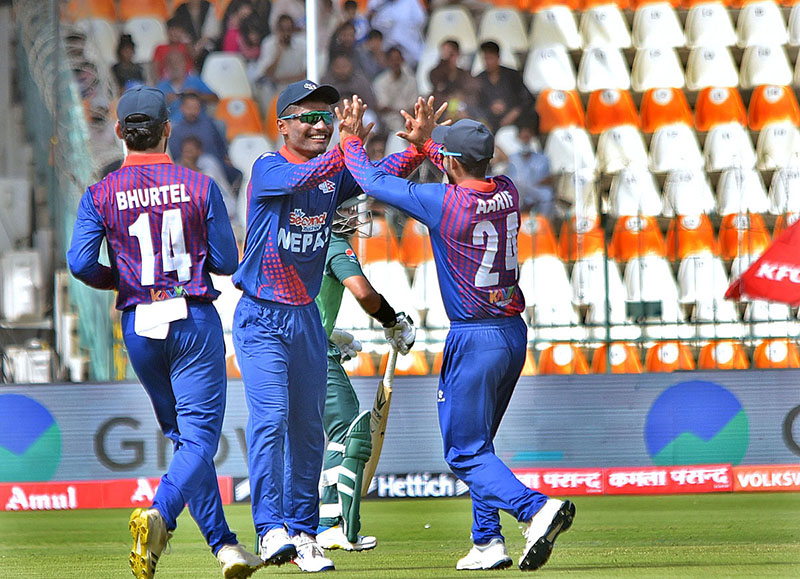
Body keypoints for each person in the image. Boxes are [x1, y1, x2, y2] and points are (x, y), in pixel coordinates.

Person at [337, 95, 576, 572]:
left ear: (449, 161)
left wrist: (349, 140)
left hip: (474, 337)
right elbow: (459, 168)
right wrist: (430, 146)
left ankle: (536, 509)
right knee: (481, 443)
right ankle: (488, 541)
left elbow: (371, 181)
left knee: (463, 453)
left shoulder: (444, 201)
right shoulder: (506, 190)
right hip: (511, 332)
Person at [66, 86, 261, 579]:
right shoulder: (199, 185)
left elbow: (79, 262)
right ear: (168, 129)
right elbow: (226, 262)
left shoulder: (101, 191)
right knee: (199, 440)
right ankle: (160, 514)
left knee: (184, 441)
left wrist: (120, 278)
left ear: (119, 133)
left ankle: (226, 547)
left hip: (140, 322)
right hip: (191, 316)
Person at [231, 79, 424, 573]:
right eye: (309, 117)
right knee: (272, 419)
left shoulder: (329, 174)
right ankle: (270, 529)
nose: (321, 124)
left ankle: (304, 534)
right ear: (283, 126)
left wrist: (417, 148)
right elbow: (311, 175)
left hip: (305, 322)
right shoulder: (268, 168)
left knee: (310, 432)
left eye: (327, 116)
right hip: (262, 316)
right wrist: (348, 142)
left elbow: (375, 178)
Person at [315, 200, 415, 552]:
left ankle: (286, 529)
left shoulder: (295, 239)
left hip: (278, 349)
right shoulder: (335, 244)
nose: (354, 217)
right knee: (348, 428)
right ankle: (332, 524)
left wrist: (330, 331)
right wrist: (393, 321)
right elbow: (363, 292)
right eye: (345, 209)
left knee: (298, 439)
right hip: (311, 354)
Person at [474, 41, 535, 133]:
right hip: (491, 124)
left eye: (491, 58)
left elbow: (528, 99)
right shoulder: (479, 79)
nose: (488, 62)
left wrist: (514, 112)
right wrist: (490, 109)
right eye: (486, 59)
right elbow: (476, 105)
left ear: (498, 58)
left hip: (516, 123)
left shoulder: (512, 75)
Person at [156, 49, 218, 120]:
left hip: (197, 125)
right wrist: (165, 102)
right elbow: (152, 110)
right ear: (166, 66)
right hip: (173, 127)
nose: (174, 66)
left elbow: (215, 99)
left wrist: (197, 95)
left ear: (184, 63)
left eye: (178, 62)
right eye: (171, 63)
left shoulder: (195, 80)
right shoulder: (161, 86)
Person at [373, 46, 418, 135]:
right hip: (388, 125)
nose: (395, 63)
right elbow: (383, 107)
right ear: (387, 62)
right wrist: (400, 111)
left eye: (397, 59)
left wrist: (400, 111)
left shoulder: (412, 80)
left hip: (410, 122)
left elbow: (414, 106)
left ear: (402, 60)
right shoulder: (380, 82)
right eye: (392, 60)